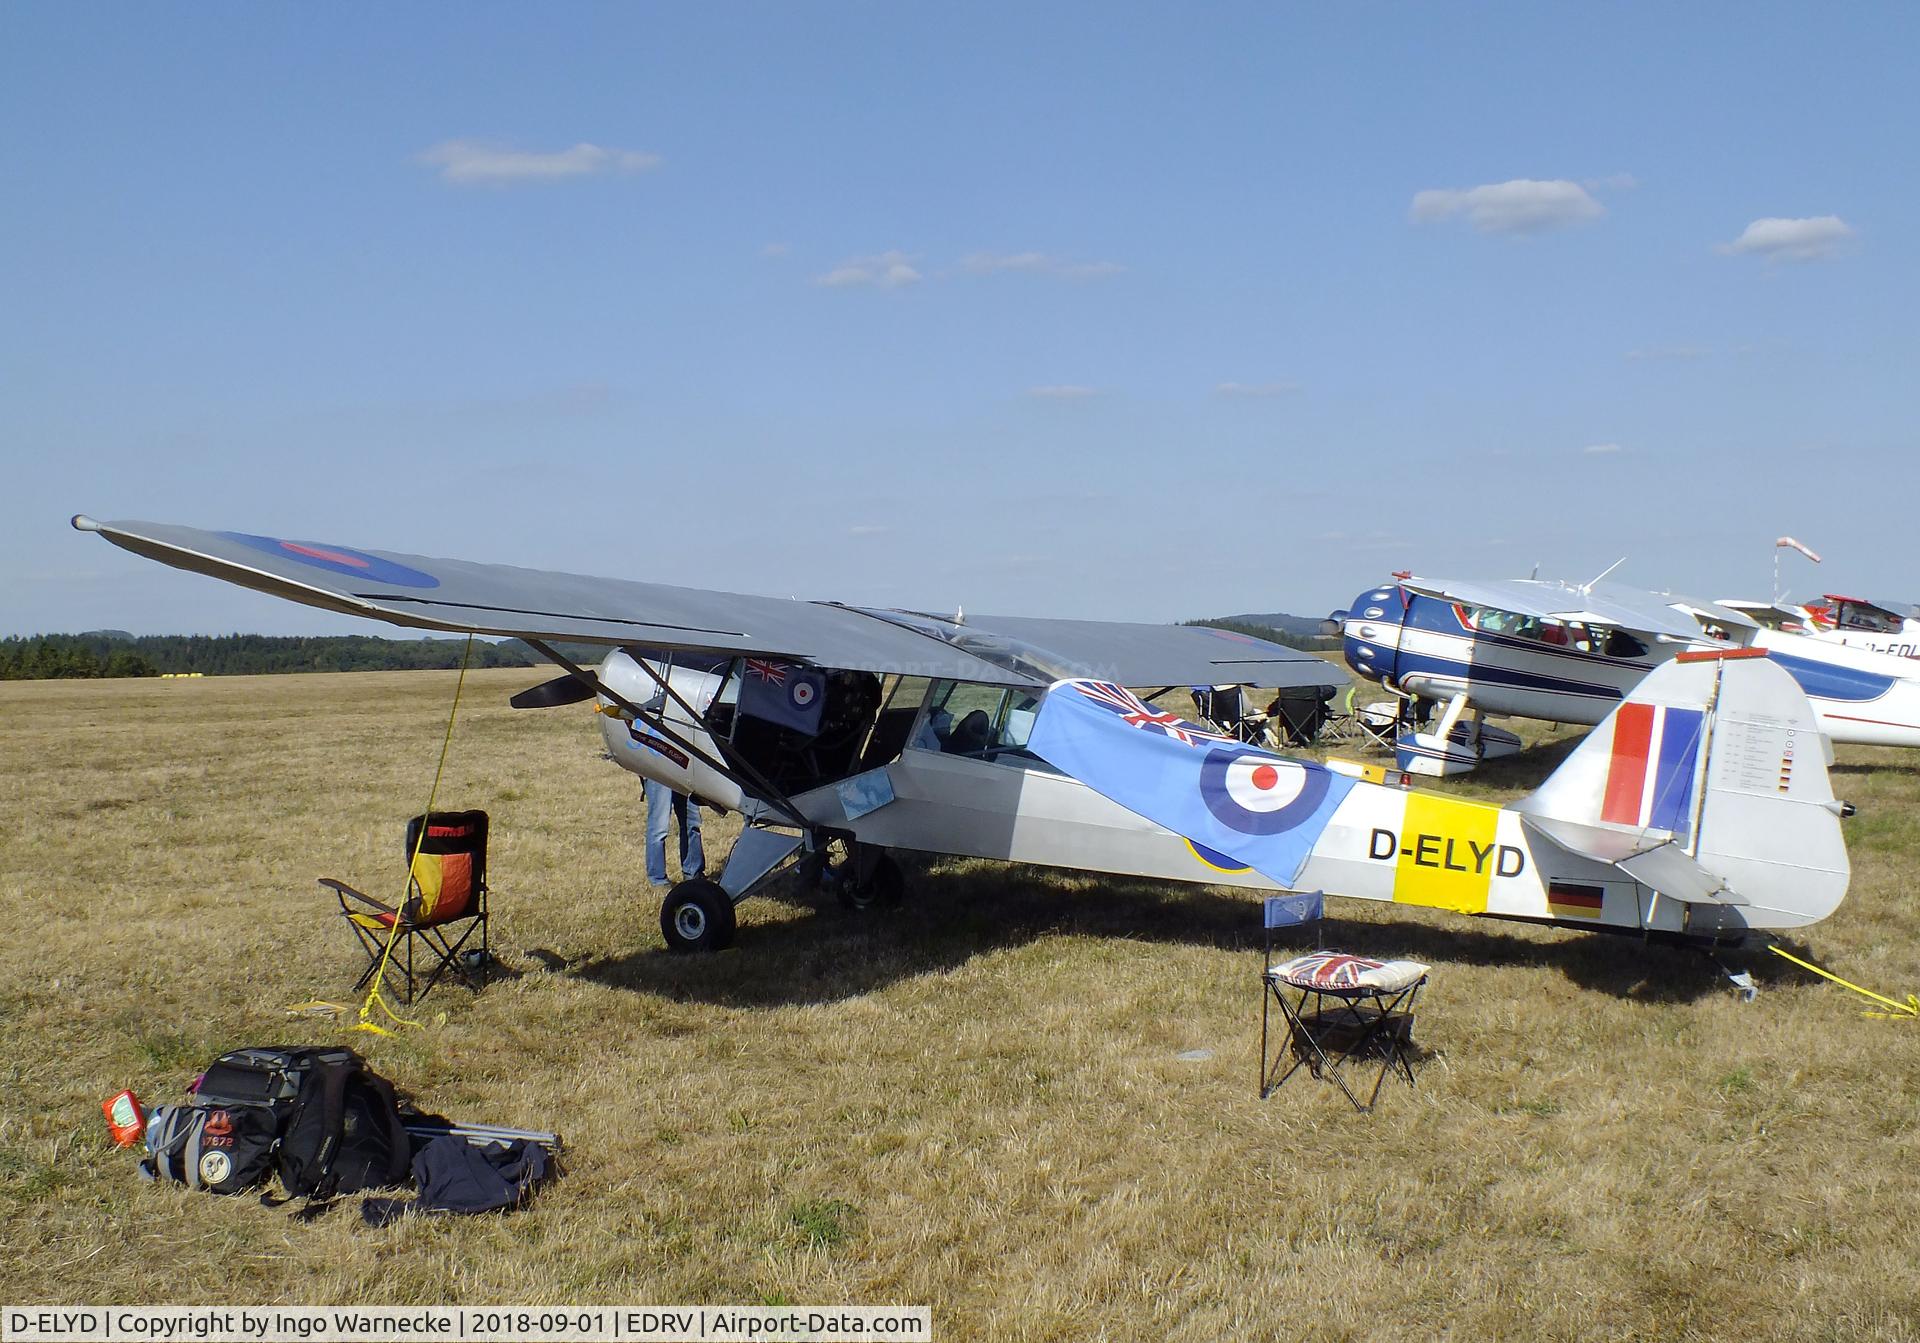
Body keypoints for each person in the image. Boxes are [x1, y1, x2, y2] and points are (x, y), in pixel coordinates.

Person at [644, 776, 704, 887]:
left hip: (683, 768)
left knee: (692, 822)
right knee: (659, 827)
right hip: (656, 767)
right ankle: (658, 880)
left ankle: (693, 873)